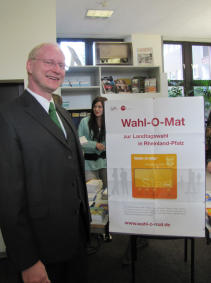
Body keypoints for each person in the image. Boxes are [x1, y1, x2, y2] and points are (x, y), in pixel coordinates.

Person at [0, 43, 90, 283]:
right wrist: (27, 260)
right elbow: (8, 198)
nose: (57, 69)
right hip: (41, 248)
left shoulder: (63, 114)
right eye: (49, 62)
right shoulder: (8, 117)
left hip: (76, 239)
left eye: (62, 65)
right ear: (30, 66)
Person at [78, 96, 107, 189]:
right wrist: (95, 145)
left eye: (100, 107)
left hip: (105, 163)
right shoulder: (84, 121)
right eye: (95, 106)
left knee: (107, 191)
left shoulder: (109, 121)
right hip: (89, 164)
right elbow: (80, 140)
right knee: (92, 191)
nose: (96, 109)